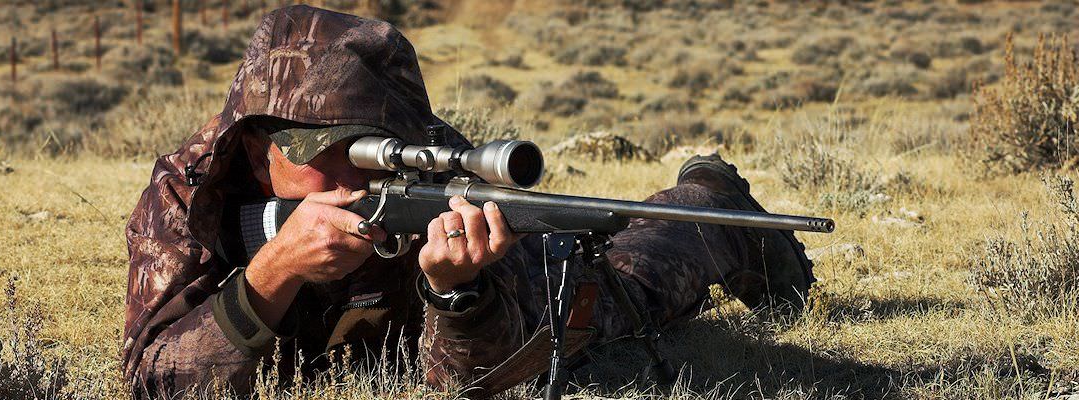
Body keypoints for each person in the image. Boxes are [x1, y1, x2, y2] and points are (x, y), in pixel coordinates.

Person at [121, 5, 815, 398]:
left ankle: (712, 204)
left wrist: (457, 293)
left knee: (623, 292)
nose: (349, 184)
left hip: (504, 284)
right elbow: (156, 382)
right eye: (318, 158)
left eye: (368, 153)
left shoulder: (443, 177)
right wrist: (271, 275)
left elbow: (483, 381)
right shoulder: (189, 193)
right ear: (253, 148)